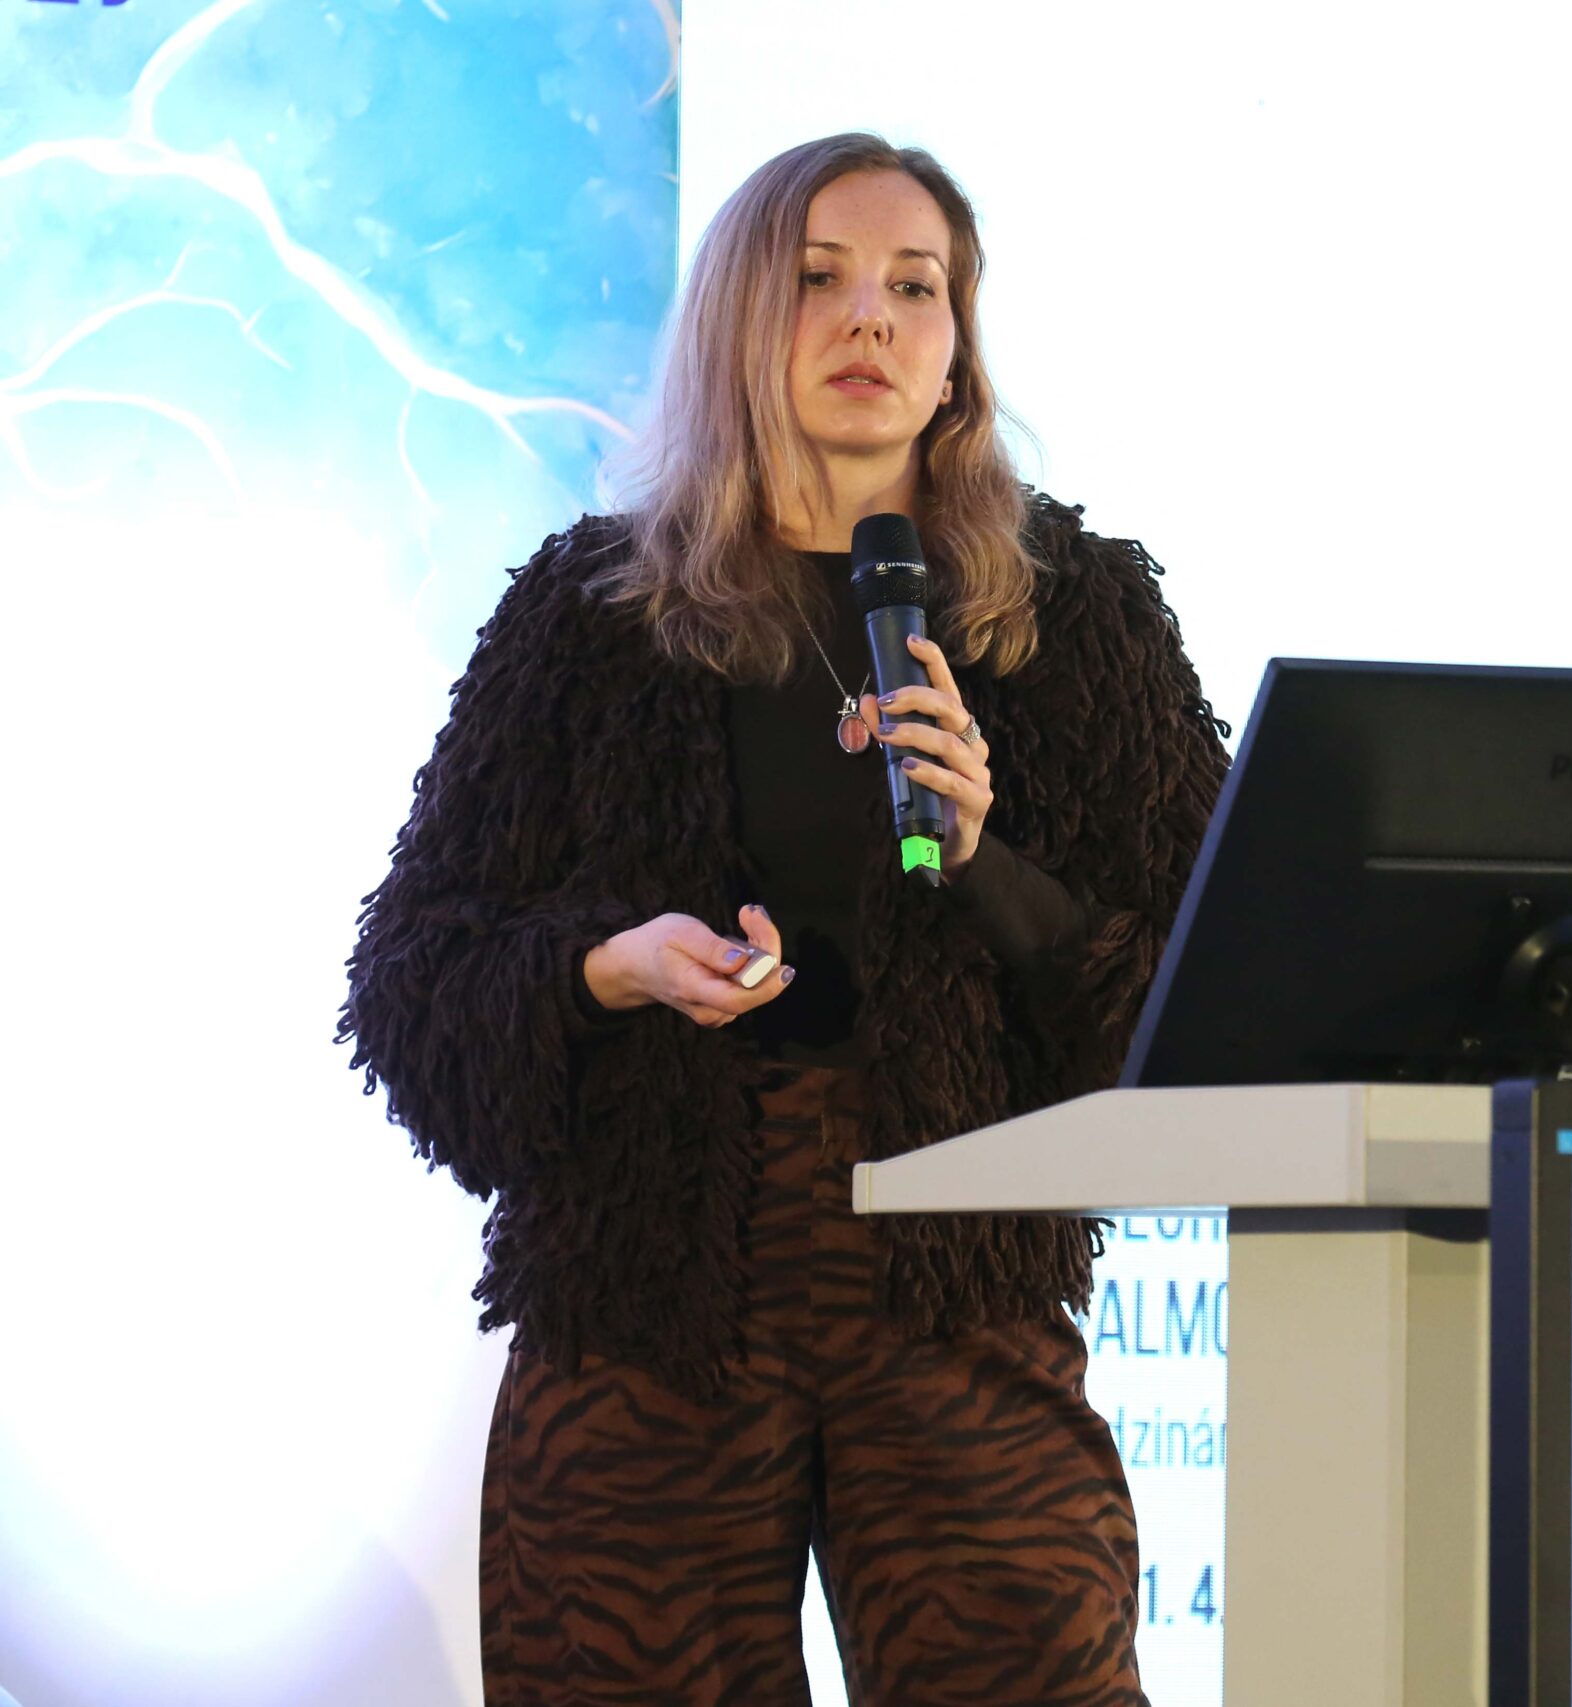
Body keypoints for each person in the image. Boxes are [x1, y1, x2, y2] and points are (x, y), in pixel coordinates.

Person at [339, 132, 1228, 1705]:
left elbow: (1203, 989)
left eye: (915, 286)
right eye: (820, 278)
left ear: (958, 350)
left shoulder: (1076, 616)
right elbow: (412, 985)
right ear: (741, 321)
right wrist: (605, 968)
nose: (870, 317)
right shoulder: (592, 615)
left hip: (955, 1273)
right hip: (653, 1282)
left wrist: (986, 859)